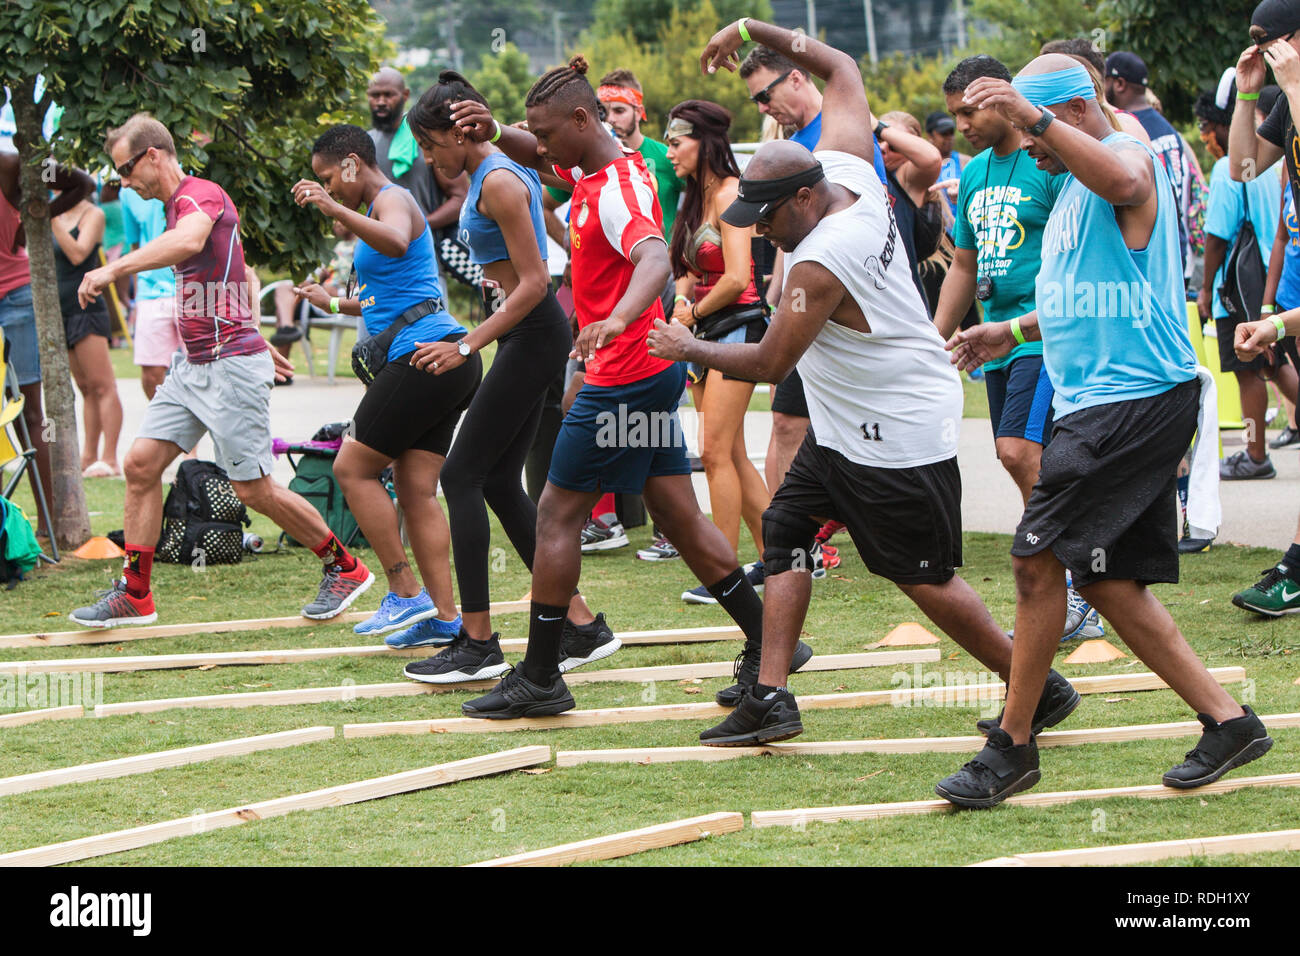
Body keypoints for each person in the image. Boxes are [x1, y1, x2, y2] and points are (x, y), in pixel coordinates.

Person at [648, 18, 1076, 748]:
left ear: (804, 201)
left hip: (897, 429)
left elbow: (770, 365)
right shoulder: (845, 167)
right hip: (851, 423)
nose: (765, 232)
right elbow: (841, 65)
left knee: (920, 576)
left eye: (770, 219)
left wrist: (689, 345)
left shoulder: (820, 259)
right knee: (785, 531)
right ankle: (773, 695)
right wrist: (752, 28)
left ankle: (1035, 685)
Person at [936, 56, 1270, 807]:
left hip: (1133, 401)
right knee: (1106, 578)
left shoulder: (1125, 154)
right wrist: (1011, 328)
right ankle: (1228, 722)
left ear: (1077, 110)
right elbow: (1084, 294)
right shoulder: (1069, 188)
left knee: (1035, 561)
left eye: (1038, 134)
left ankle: (1012, 746)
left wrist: (1033, 114)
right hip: (1104, 401)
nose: (1032, 152)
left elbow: (1127, 183)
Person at [448, 55, 809, 717]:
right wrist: (498, 128)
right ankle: (767, 638)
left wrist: (615, 319)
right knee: (674, 508)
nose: (541, 147)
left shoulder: (615, 187)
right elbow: (535, 145)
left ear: (582, 121)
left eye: (548, 133)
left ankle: (540, 675)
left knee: (557, 512)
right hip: (645, 372)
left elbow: (648, 257)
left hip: (624, 375)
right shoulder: (591, 164)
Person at [68, 113, 374, 627]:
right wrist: (252, 331)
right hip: (194, 365)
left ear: (153, 156)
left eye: (124, 170)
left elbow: (189, 242)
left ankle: (344, 566)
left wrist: (112, 267)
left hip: (229, 369)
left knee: (253, 489)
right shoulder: (177, 208)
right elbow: (245, 272)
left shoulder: (198, 196)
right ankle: (136, 593)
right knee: (141, 465)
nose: (121, 183)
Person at [396, 72, 616, 681]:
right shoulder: (491, 174)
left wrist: (465, 344)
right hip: (528, 334)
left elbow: (537, 282)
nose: (427, 157)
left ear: (458, 134)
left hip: (536, 333)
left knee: (460, 474)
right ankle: (579, 625)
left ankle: (478, 642)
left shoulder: (495, 180)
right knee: (495, 480)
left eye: (431, 144)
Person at [933, 55, 1103, 643]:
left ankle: (1079, 584)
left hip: (1043, 333)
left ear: (1004, 100)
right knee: (1032, 456)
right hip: (994, 339)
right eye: (954, 114)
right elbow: (963, 262)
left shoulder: (1048, 161)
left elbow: (1080, 244)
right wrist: (935, 336)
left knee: (1016, 450)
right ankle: (1076, 576)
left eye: (970, 110)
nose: (962, 124)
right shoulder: (976, 172)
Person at [291, 124, 471, 642]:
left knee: (352, 468)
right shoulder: (376, 209)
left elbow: (395, 241)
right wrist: (331, 303)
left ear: (351, 163)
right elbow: (388, 295)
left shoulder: (393, 200)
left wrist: (334, 209)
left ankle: (404, 592)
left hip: (422, 356)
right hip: (440, 358)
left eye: (330, 178)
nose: (330, 189)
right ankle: (443, 618)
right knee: (416, 492)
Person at [737, 44, 886, 526]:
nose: (763, 108)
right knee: (791, 423)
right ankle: (796, 539)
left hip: (844, 298)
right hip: (808, 293)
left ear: (797, 77)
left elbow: (844, 66)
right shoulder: (795, 141)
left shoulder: (841, 130)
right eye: (755, 101)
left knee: (831, 427)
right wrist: (781, 289)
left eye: (765, 93)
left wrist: (745, 27)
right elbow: (792, 233)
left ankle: (809, 536)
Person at [663, 100, 774, 607]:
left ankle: (722, 570)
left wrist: (693, 312)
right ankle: (785, 559)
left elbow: (737, 277)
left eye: (676, 142)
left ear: (704, 142)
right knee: (728, 452)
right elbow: (686, 267)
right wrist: (684, 301)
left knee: (712, 453)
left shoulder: (734, 193)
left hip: (737, 331)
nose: (668, 152)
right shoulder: (693, 198)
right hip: (704, 334)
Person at [1227, 0, 1300, 615]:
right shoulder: (1281, 97)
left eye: (1269, 40)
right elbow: (1243, 166)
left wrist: (1295, 85)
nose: (1263, 51)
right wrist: (1250, 97)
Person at [1195, 74, 1284, 481]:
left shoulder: (1228, 168)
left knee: (1249, 367)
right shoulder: (1278, 159)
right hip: (1276, 276)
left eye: (1207, 128)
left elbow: (1217, 237)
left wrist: (1205, 290)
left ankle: (1254, 453)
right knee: (1278, 363)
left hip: (1240, 282)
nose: (1206, 138)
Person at [0, 152, 93, 536]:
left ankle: (47, 526)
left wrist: (35, 219)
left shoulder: (8, 164)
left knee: (31, 412)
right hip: (19, 298)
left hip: (16, 298)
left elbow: (83, 183)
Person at [50, 187, 124, 478]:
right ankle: (89, 455)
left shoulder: (93, 213)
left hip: (87, 309)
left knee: (102, 385)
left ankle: (110, 457)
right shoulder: (53, 213)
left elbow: (79, 254)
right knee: (84, 387)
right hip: (61, 311)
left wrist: (52, 218)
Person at [1103, 51, 1192, 270]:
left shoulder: (1128, 129)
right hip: (1175, 244)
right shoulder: (1168, 129)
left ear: (1119, 84)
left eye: (1104, 81)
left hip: (1150, 252)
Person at [875, 109, 943, 304]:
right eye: (878, 139)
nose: (883, 148)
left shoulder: (905, 178)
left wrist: (876, 126)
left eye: (895, 145)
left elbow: (930, 159)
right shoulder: (866, 169)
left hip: (900, 302)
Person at [926, 109, 968, 220]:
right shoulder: (923, 164)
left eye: (951, 133)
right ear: (930, 136)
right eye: (944, 134)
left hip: (959, 229)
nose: (949, 137)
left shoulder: (965, 162)